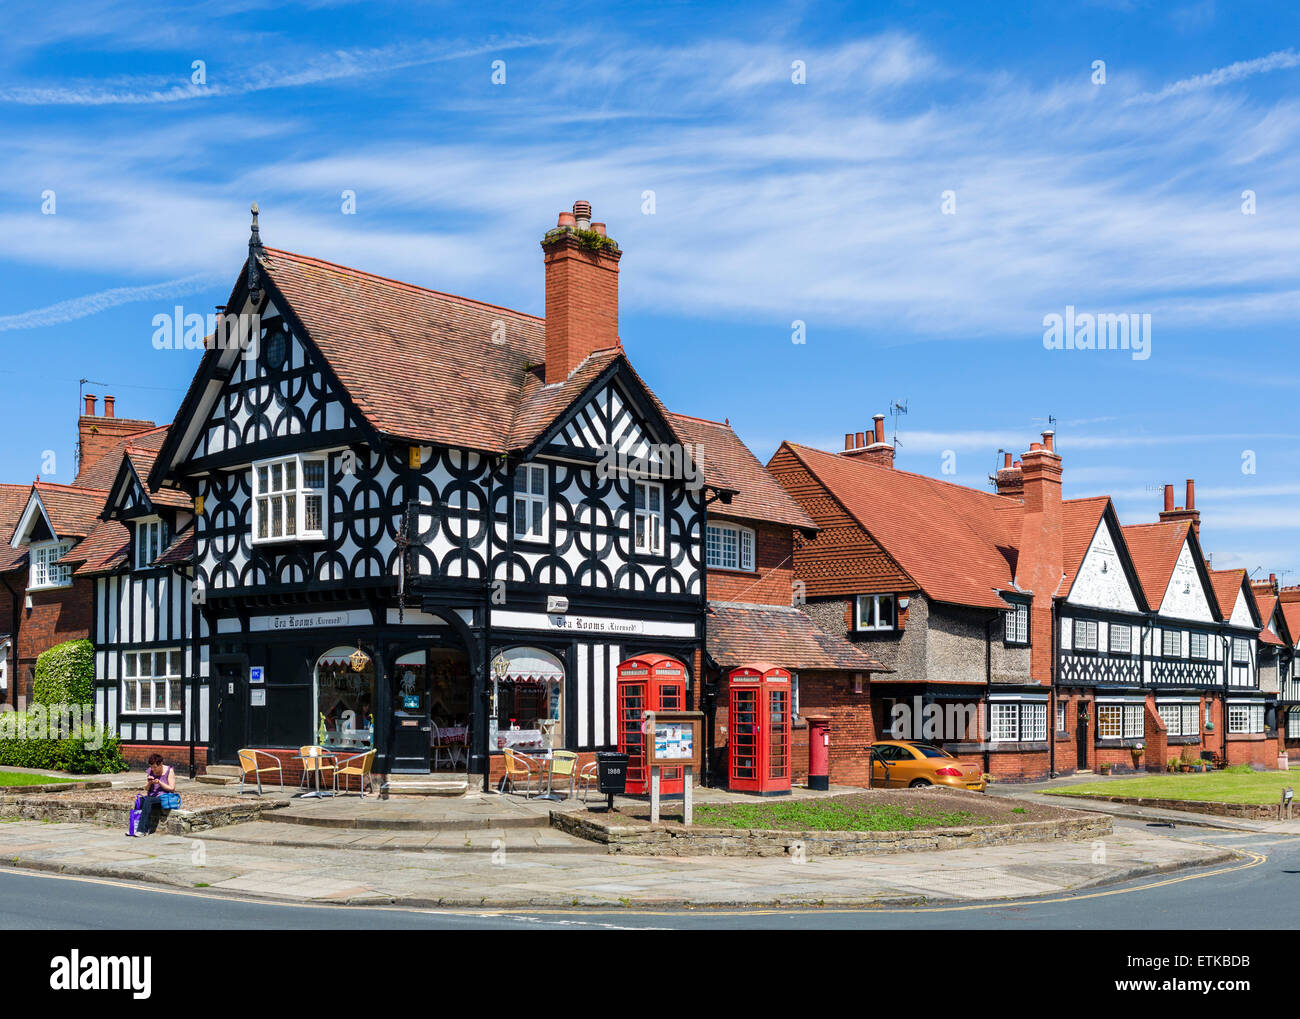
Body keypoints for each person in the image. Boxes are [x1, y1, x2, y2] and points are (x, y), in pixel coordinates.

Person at [134, 753, 176, 836]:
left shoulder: (169, 770)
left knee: (148, 800)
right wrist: (149, 783)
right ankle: (134, 828)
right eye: (151, 767)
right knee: (139, 801)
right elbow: (146, 789)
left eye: (155, 767)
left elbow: (172, 788)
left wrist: (160, 782)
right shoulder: (150, 771)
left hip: (164, 797)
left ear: (161, 764)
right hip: (152, 797)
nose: (153, 769)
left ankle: (142, 830)